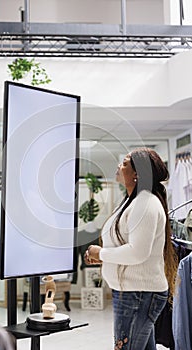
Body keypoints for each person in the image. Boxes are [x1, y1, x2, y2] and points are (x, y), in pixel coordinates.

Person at [84, 147, 178, 350]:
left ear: (138, 174)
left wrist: (101, 253)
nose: (119, 165)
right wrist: (105, 257)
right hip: (133, 293)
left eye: (125, 163)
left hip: (138, 294)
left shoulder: (145, 204)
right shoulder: (132, 201)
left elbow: (137, 252)